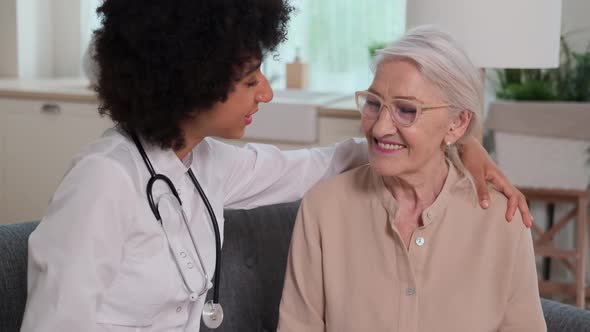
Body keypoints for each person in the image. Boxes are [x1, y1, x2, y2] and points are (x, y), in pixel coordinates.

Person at [20, 1, 530, 330]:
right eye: (249, 80)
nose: (266, 91)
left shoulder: (209, 164)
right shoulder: (102, 182)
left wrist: (463, 145)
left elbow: (337, 159)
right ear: (191, 82)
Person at [278, 26, 545, 332]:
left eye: (406, 110)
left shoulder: (502, 221)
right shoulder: (323, 209)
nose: (379, 129)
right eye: (374, 104)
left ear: (457, 124)